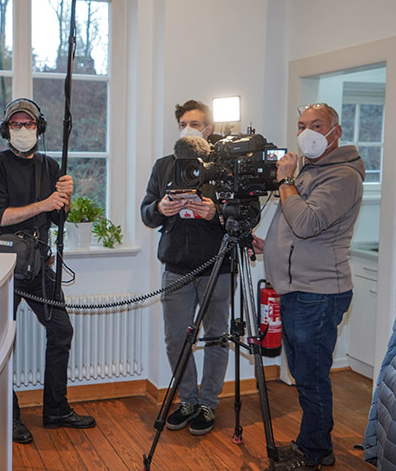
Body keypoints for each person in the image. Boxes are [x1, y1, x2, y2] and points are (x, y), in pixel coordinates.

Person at [251, 103, 364, 470]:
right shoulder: (311, 171)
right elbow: (299, 235)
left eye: (316, 125)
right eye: (301, 125)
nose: (307, 132)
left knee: (312, 379)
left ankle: (316, 453)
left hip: (318, 293)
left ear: (336, 132)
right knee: (303, 375)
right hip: (297, 289)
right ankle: (309, 443)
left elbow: (307, 223)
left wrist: (285, 181)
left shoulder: (343, 176)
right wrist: (271, 248)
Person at [0, 98, 96, 445]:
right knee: (1, 342)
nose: (22, 130)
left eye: (28, 124)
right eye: (16, 124)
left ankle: (56, 408)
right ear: (6, 130)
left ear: (38, 128)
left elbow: (57, 218)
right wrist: (45, 203)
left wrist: (65, 199)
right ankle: (10, 415)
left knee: (61, 330)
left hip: (39, 265)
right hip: (4, 266)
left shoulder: (50, 166)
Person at [140, 100, 230, 436]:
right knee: (176, 339)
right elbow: (146, 212)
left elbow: (243, 216)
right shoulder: (164, 166)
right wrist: (161, 208)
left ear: (208, 128)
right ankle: (188, 399)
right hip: (176, 266)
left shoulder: (224, 166)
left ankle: (209, 403)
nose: (187, 129)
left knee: (217, 337)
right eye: (182, 123)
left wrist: (216, 213)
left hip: (217, 267)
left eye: (194, 123)